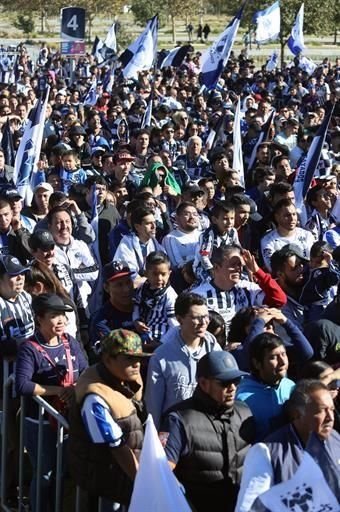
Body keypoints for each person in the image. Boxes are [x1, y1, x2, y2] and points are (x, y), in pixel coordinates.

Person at [15, 293, 88, 512]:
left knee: (61, 473)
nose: (61, 321)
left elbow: (85, 371)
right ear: (39, 318)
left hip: (67, 419)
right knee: (44, 474)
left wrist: (75, 390)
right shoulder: (29, 348)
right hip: (40, 422)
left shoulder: (70, 342)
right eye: (54, 315)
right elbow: (22, 385)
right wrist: (58, 390)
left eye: (63, 316)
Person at [161, 351, 255, 512]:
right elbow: (162, 474)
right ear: (204, 383)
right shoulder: (178, 419)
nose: (232, 387)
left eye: (236, 380)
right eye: (225, 382)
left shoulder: (245, 412)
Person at [68, 329, 151, 510]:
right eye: (129, 358)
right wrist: (142, 482)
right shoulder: (94, 397)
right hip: (106, 483)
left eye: (139, 358)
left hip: (124, 478)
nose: (136, 364)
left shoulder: (125, 378)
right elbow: (116, 446)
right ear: (108, 359)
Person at [236, 380, 340, 511]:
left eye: (332, 409)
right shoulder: (266, 453)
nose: (330, 417)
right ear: (297, 414)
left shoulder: (336, 440)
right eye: (321, 411)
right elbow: (247, 508)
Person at [145, 292, 221, 429]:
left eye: (206, 316)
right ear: (179, 319)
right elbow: (153, 404)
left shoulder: (214, 349)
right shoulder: (161, 357)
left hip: (208, 427)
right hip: (175, 429)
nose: (204, 322)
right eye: (196, 318)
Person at [192, 244, 286, 336]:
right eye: (233, 264)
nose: (238, 269)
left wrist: (257, 271)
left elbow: (279, 300)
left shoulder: (247, 288)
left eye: (240, 265)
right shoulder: (198, 296)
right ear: (216, 267)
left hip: (248, 345)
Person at [236, 332, 295, 441]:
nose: (282, 362)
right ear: (257, 363)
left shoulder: (291, 387)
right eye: (273, 357)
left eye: (283, 354)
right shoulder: (242, 398)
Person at [132, 251, 178, 348]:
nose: (159, 278)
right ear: (146, 274)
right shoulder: (142, 289)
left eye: (163, 274)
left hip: (161, 338)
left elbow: (174, 324)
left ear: (169, 274)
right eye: (155, 274)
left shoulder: (169, 295)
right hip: (142, 335)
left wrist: (161, 343)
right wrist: (136, 321)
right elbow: (136, 306)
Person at [89, 261, 135, 353]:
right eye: (119, 285)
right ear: (106, 288)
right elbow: (114, 355)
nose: (126, 289)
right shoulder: (100, 321)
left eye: (128, 282)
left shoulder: (144, 307)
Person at [114, 206, 165, 285]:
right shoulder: (126, 244)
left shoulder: (155, 243)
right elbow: (130, 277)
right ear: (137, 227)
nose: (154, 227)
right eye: (148, 223)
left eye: (154, 222)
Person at [261, 199, 314, 271]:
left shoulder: (307, 235)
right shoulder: (268, 241)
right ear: (277, 217)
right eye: (287, 215)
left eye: (294, 214)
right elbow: (272, 267)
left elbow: (313, 261)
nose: (292, 218)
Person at [193, 201, 239, 281]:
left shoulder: (233, 232)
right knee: (213, 281)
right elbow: (204, 257)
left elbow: (237, 247)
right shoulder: (208, 235)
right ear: (214, 220)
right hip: (205, 267)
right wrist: (213, 270)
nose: (229, 222)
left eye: (232, 218)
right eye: (225, 219)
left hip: (223, 265)